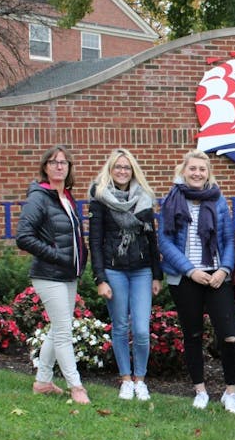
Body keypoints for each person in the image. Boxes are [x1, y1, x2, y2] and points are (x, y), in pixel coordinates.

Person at [157, 150, 235, 413]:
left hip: (216, 277)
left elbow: (229, 239)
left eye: (202, 170)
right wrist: (189, 270)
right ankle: (200, 390)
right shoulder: (171, 200)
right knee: (192, 334)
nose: (197, 173)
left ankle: (231, 392)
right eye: (192, 169)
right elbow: (165, 241)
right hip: (185, 278)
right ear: (184, 171)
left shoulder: (218, 200)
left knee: (229, 335)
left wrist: (225, 269)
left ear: (208, 173)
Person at [16, 145, 90, 404]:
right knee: (63, 332)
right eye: (53, 162)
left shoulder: (66, 196)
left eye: (64, 162)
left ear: (69, 168)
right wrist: (57, 255)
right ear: (45, 167)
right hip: (48, 274)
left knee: (59, 327)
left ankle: (43, 382)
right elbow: (24, 237)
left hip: (68, 274)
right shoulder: (39, 197)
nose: (59, 166)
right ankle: (76, 387)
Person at [88, 149, 162, 402]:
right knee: (120, 326)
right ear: (110, 169)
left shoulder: (144, 198)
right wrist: (100, 278)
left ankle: (140, 379)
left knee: (141, 329)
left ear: (133, 171)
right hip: (114, 270)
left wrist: (157, 275)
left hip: (141, 271)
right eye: (118, 167)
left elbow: (152, 238)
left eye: (127, 167)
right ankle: (126, 380)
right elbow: (95, 242)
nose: (122, 171)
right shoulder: (99, 199)